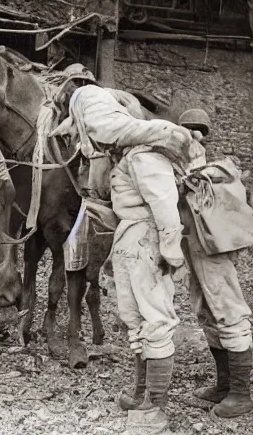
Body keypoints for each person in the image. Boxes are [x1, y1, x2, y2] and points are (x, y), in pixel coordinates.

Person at [55, 83, 195, 434]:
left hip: (147, 241)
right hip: (130, 241)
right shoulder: (125, 156)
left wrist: (170, 251)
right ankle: (140, 391)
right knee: (134, 318)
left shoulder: (145, 155)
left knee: (155, 320)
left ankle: (157, 406)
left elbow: (165, 209)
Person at [177, 108, 253, 418]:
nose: (192, 136)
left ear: (204, 137)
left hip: (214, 251)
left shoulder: (216, 170)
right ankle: (224, 386)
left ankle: (241, 393)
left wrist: (191, 174)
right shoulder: (184, 168)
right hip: (195, 252)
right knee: (206, 312)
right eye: (186, 130)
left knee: (228, 311)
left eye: (197, 131)